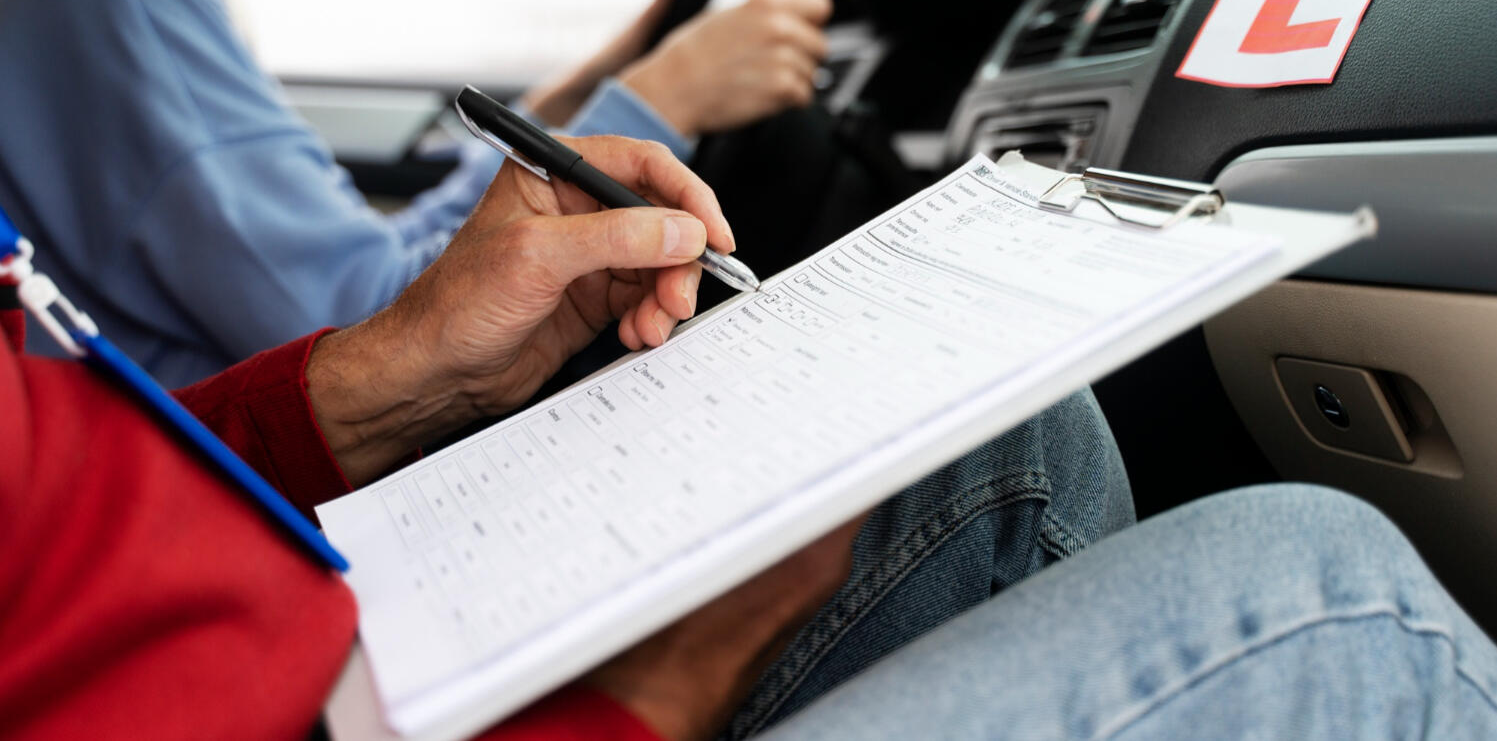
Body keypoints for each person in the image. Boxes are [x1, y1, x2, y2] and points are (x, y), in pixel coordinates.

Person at [4, 135, 1493, 740]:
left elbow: (61, 513)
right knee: (1332, 594)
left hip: (304, 664)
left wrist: (380, 380)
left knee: (1004, 432)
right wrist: (654, 679)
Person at [0, 0, 834, 387]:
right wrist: (667, 93)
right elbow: (371, 330)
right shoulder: (98, 1)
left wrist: (586, 93)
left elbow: (364, 256)